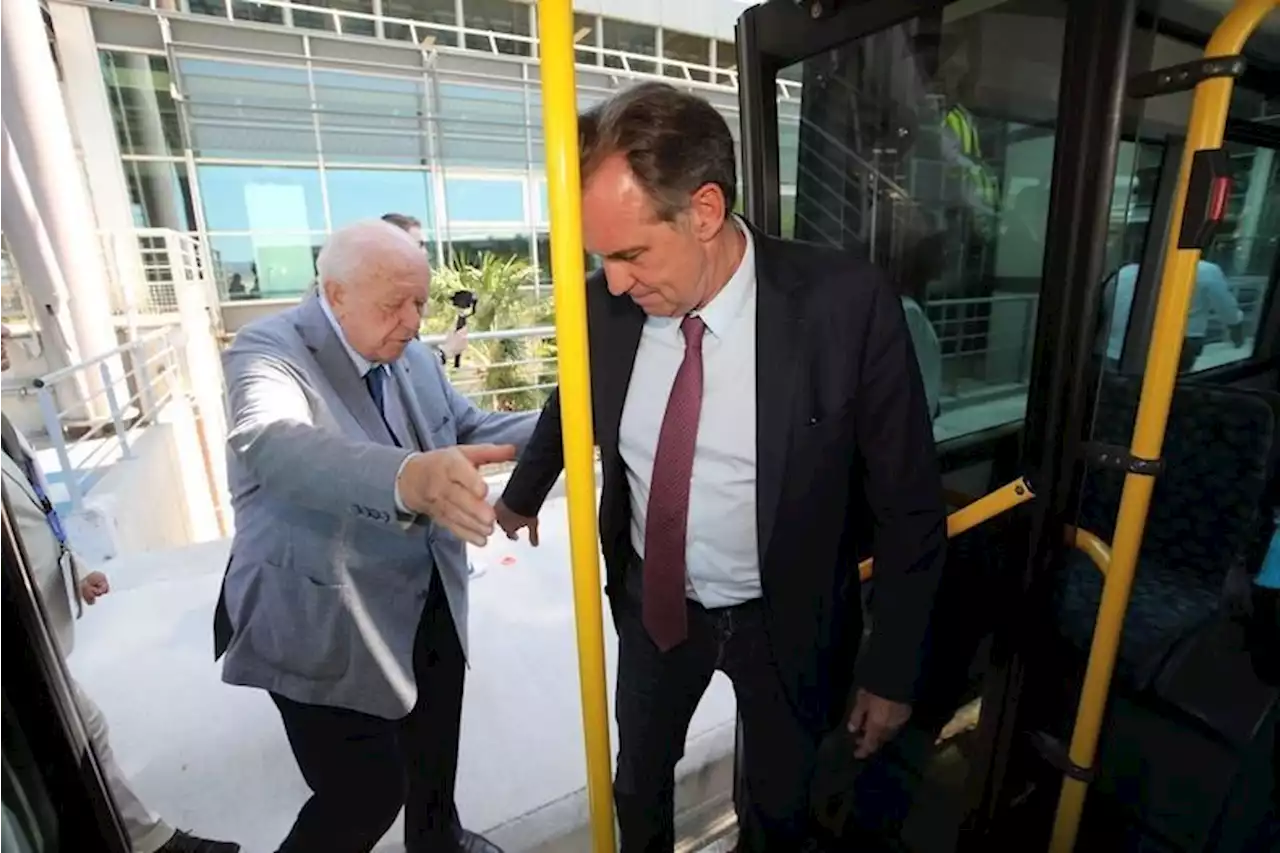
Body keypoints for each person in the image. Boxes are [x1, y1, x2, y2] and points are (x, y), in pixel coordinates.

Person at [494, 83, 946, 851]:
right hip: (655, 607)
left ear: (704, 211)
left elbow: (909, 503)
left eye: (631, 253)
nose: (613, 282)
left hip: (787, 617)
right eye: (600, 257)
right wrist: (522, 496)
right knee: (638, 784)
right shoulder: (605, 305)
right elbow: (571, 400)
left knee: (781, 805)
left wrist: (891, 670)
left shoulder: (846, 307)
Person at [212, 220, 536, 853]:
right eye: (397, 304)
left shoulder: (410, 354)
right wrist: (408, 478)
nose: (416, 322)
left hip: (429, 594)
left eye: (421, 301)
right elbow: (270, 441)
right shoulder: (268, 350)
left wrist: (571, 422)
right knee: (364, 792)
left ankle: (439, 841)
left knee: (435, 746)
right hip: (321, 615)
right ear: (335, 294)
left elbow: (469, 426)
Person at [0, 327, 240, 853]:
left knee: (83, 733)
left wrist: (75, 565)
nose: (5, 333)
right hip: (18, 652)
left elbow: (30, 514)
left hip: (43, 629)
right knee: (81, 734)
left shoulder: (4, 424)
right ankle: (153, 842)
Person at [1100, 259, 1246, 373]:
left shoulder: (1124, 273)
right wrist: (1236, 327)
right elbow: (1226, 306)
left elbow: (1106, 308)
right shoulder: (1206, 270)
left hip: (1117, 349)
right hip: (1182, 344)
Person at [381, 212, 469, 365]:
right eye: (419, 245)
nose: (425, 253)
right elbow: (406, 370)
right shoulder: (389, 300)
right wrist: (445, 351)